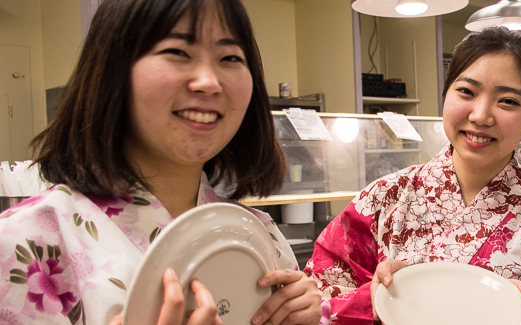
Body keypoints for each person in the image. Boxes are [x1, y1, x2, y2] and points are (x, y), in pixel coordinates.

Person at [0, 0, 324, 324]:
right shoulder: (24, 242)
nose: (208, 82)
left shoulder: (258, 234)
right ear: (113, 69)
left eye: (230, 58)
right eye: (178, 52)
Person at [305, 26, 521, 325]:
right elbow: (316, 301)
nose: (480, 115)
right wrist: (374, 302)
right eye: (466, 91)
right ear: (445, 94)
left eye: (508, 101)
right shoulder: (385, 197)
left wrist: (520, 318)